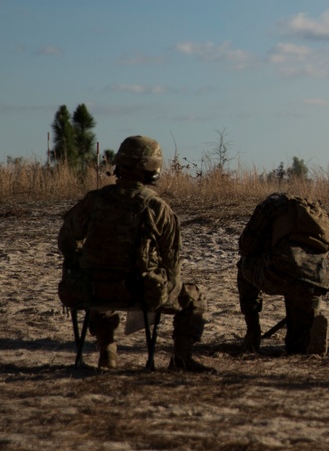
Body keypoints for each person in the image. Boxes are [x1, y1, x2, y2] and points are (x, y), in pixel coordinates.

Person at [58, 135, 213, 372]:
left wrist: (83, 262)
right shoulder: (157, 208)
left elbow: (67, 239)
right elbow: (172, 263)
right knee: (194, 296)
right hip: (139, 291)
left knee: (100, 282)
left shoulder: (94, 201)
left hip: (91, 290)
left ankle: (107, 351)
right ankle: (181, 358)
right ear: (152, 167)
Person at [237, 193, 329, 355]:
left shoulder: (272, 205)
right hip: (317, 279)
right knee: (296, 346)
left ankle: (253, 333)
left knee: (243, 264)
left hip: (282, 272)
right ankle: (310, 338)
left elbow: (247, 246)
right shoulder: (317, 211)